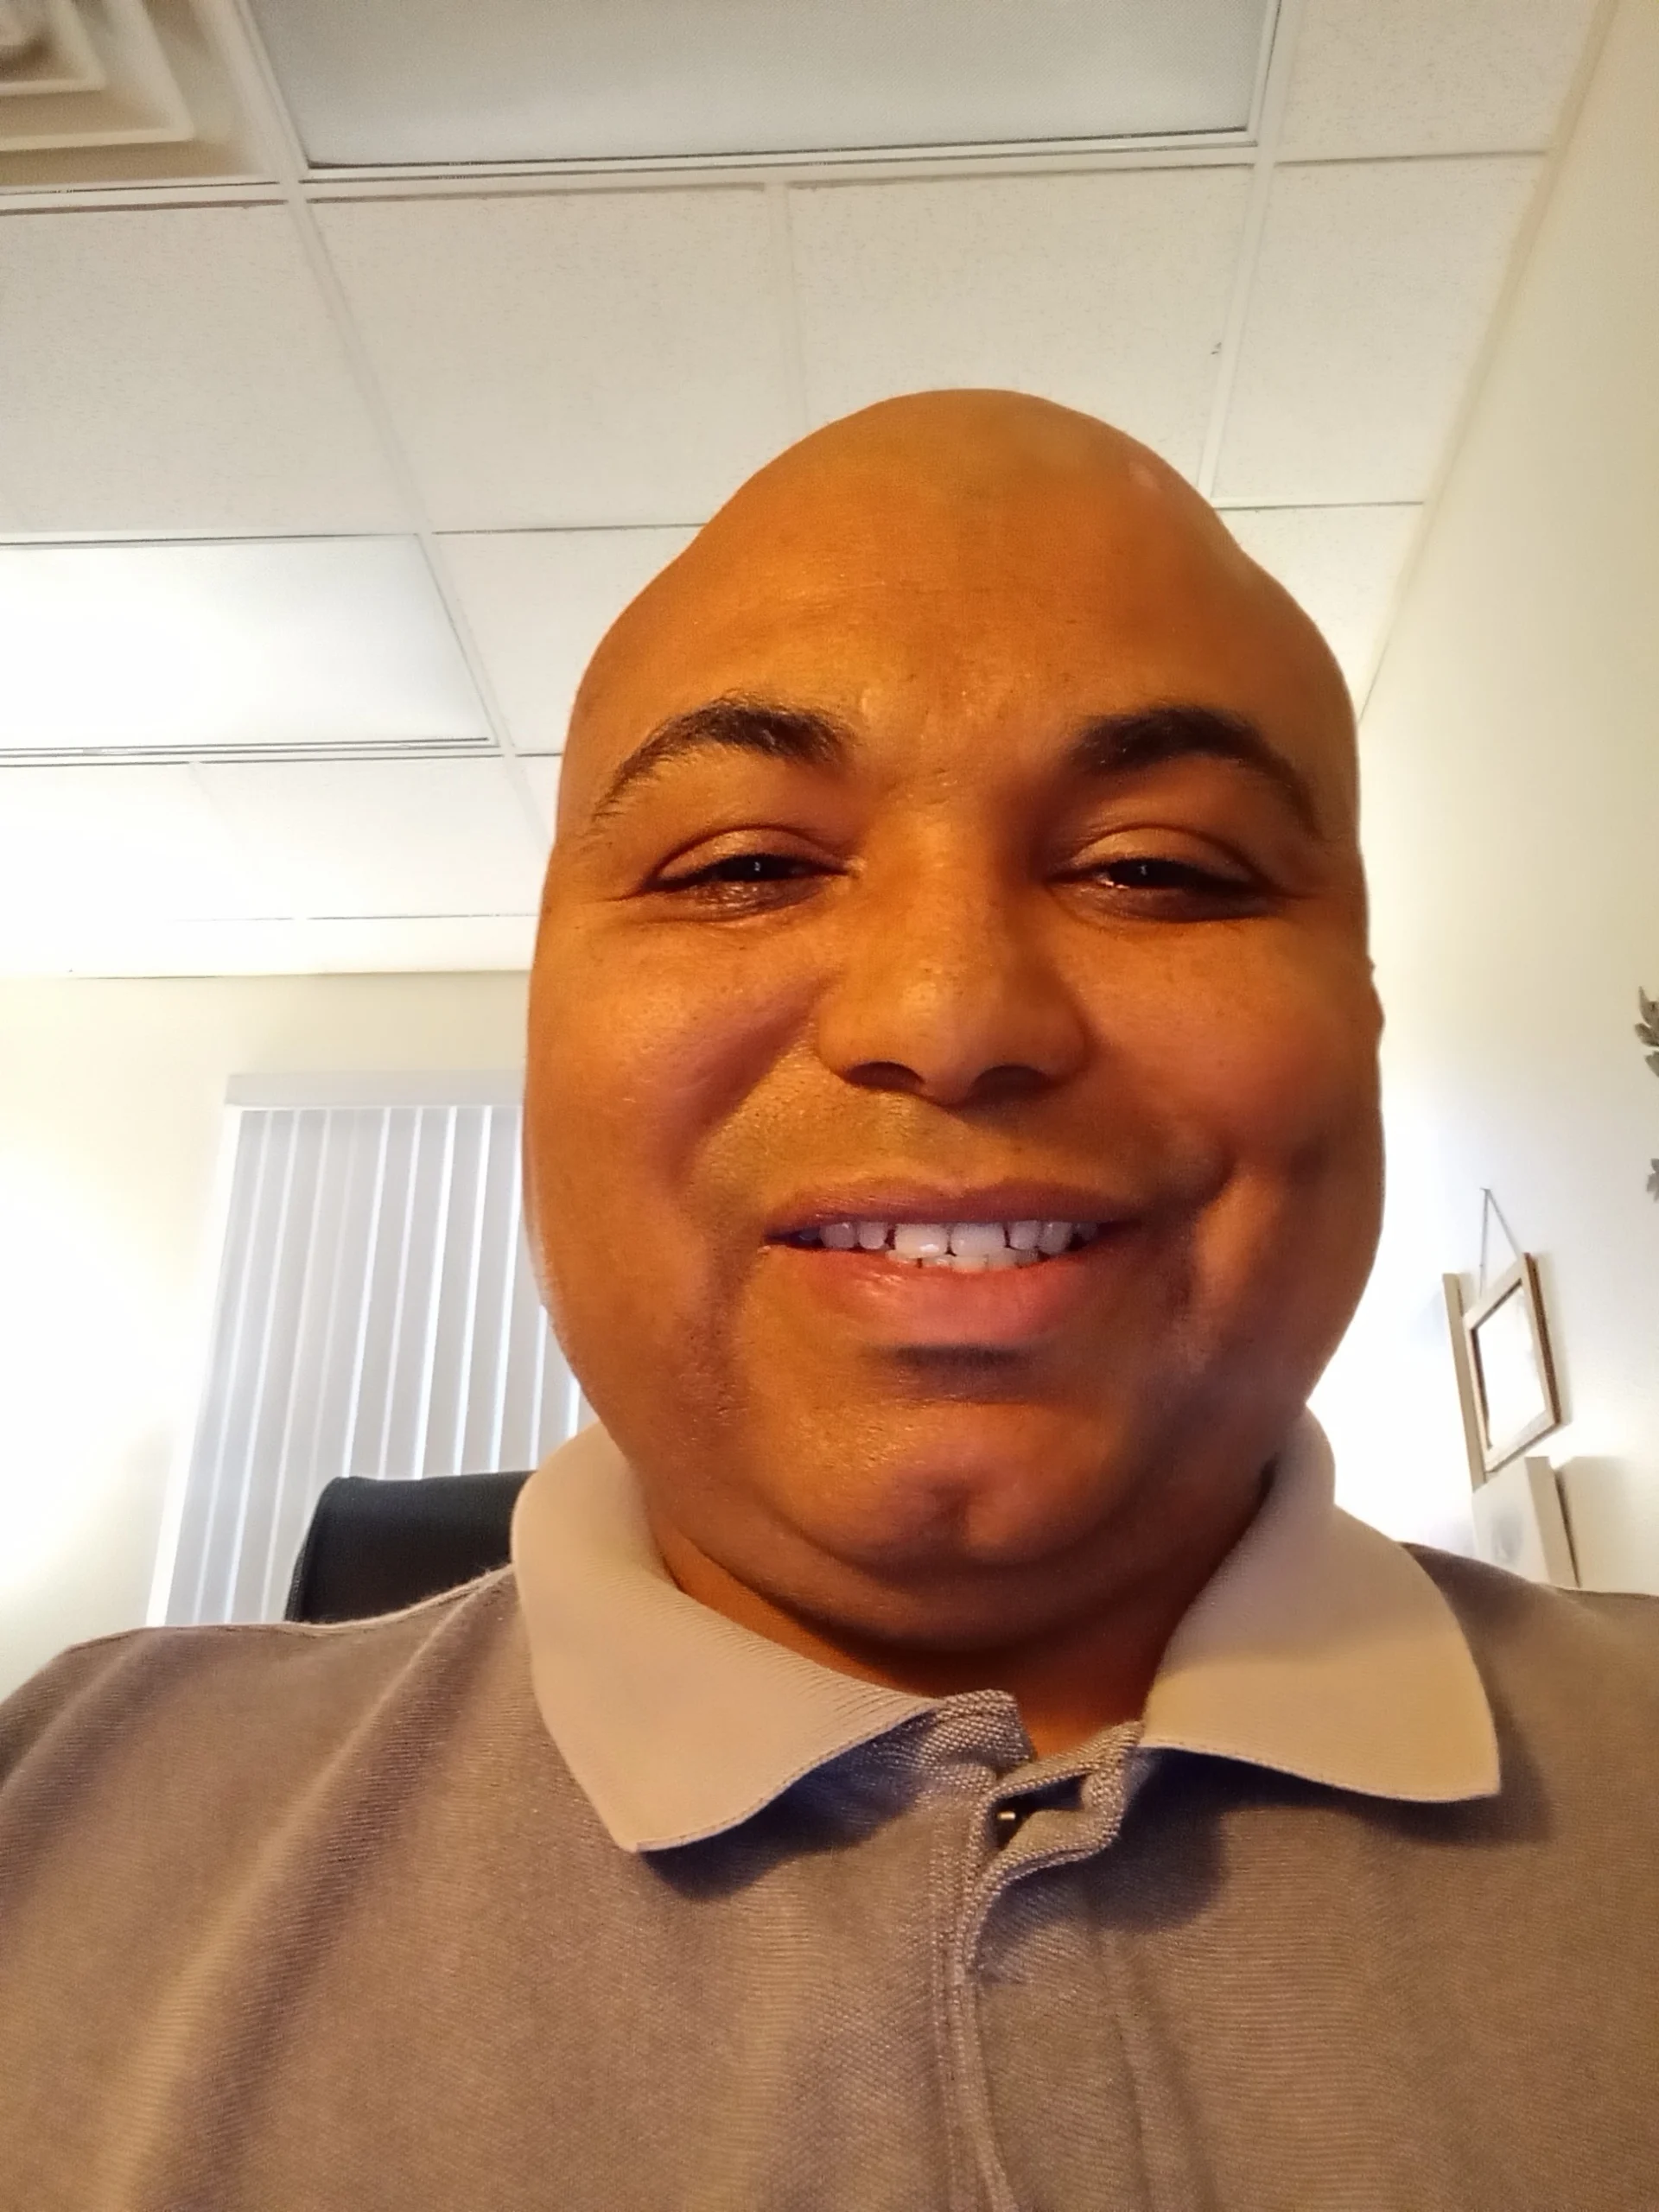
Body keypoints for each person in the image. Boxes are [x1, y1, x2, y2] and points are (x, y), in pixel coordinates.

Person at [3, 391, 1656, 2210]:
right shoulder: (58, 1824)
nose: (949, 1016)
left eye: (1156, 869)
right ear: (546, 1017)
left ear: (1362, 1008)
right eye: (747, 867)